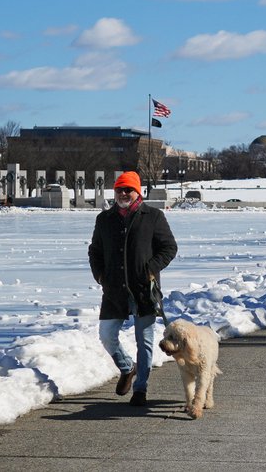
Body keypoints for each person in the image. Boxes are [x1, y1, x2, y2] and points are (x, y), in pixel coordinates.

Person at [88, 171, 178, 408]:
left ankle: (141, 389)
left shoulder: (153, 216)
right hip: (114, 290)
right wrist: (100, 275)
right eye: (119, 189)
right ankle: (127, 368)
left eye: (128, 189)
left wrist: (151, 268)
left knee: (144, 341)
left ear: (138, 191)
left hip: (143, 290)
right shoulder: (104, 219)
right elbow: (95, 250)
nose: (123, 194)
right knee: (107, 335)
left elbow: (169, 248)